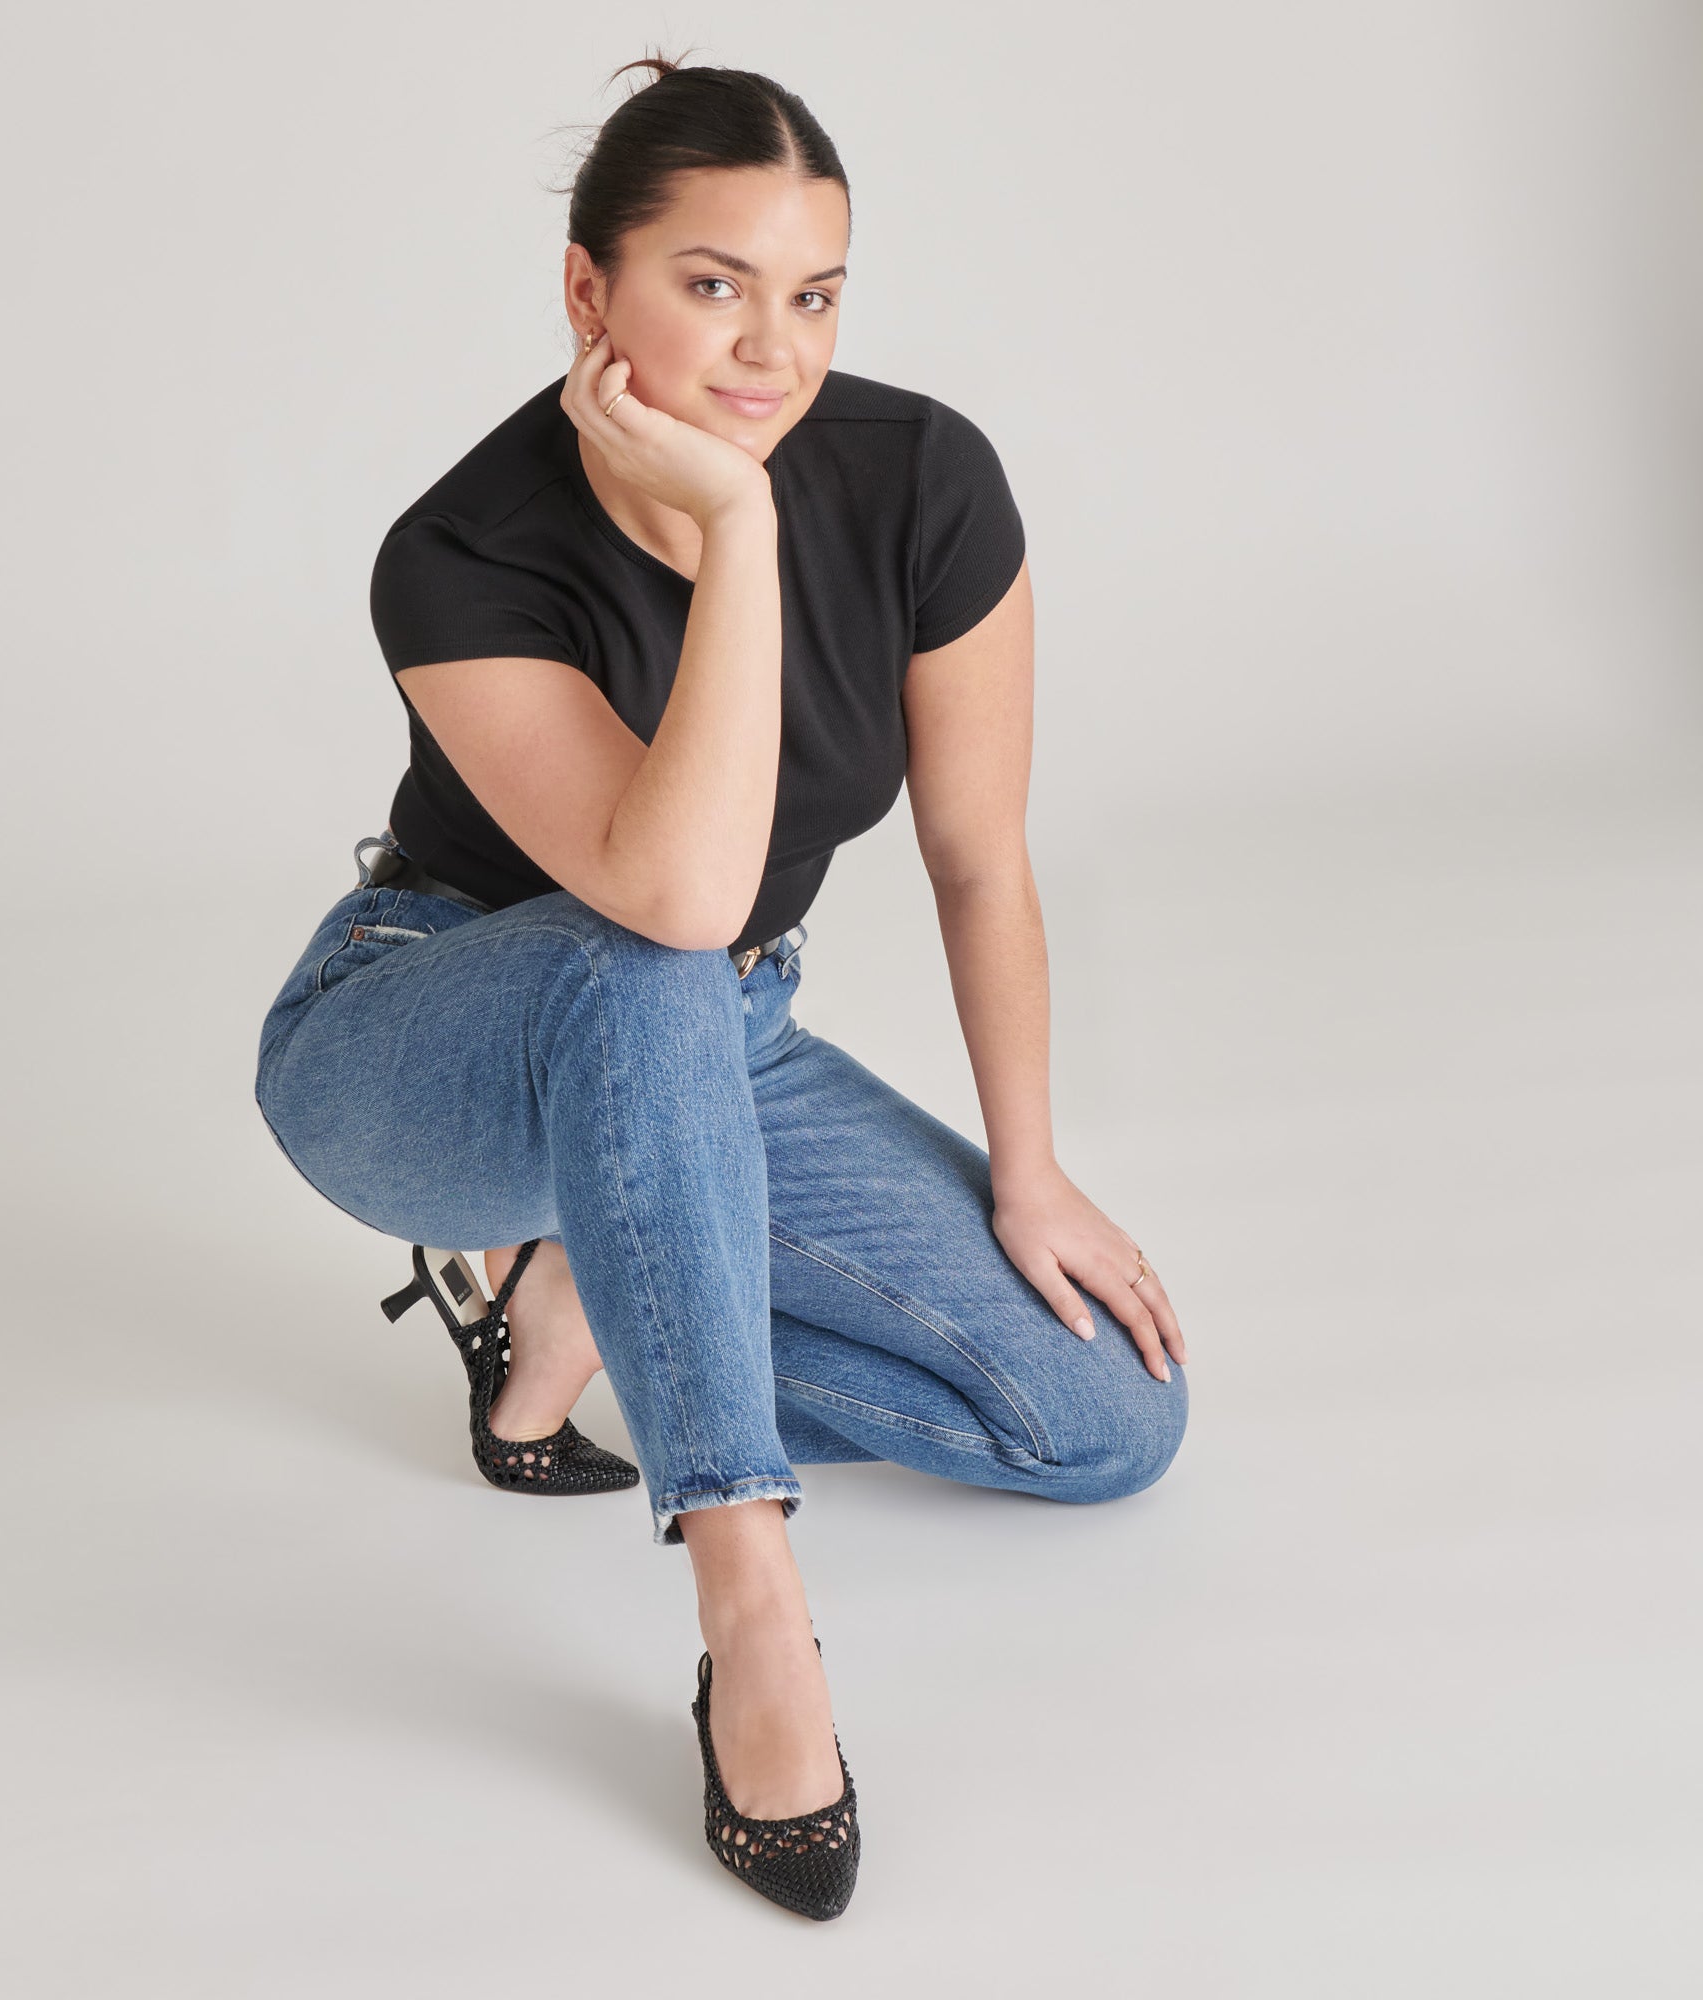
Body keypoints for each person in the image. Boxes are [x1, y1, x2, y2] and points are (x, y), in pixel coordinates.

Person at [253, 53, 1190, 1921]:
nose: (775, 350)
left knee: (1104, 1424)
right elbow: (674, 891)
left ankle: (579, 1289)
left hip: (715, 1039)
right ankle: (752, 1607)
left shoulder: (923, 481)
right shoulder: (461, 551)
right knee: (650, 946)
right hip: (423, 1036)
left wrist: (1029, 1168)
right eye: (712, 285)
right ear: (587, 289)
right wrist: (741, 534)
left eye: (815, 295)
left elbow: (979, 858)